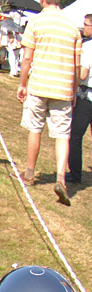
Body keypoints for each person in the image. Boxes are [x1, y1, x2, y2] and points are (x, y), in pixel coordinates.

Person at [17, 0, 81, 204]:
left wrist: (22, 83)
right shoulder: (72, 27)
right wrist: (73, 90)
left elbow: (27, 58)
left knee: (35, 128)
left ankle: (29, 173)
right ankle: (61, 178)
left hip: (39, 84)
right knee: (62, 134)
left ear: (43, 1)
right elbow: (77, 65)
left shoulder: (36, 22)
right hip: (63, 86)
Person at [65, 14, 92, 184]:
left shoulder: (88, 47)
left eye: (86, 25)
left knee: (75, 135)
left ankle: (75, 173)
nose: (84, 28)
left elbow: (83, 73)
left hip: (86, 95)